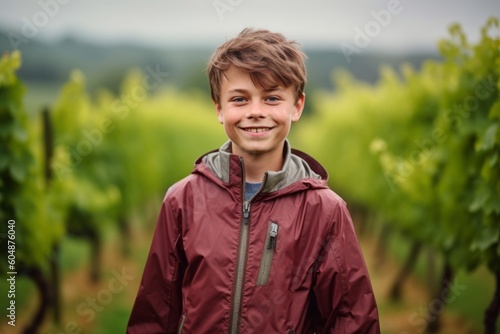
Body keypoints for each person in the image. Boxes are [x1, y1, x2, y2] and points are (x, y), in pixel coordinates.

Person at [127, 28, 380, 334]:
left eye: (272, 98)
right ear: (219, 109)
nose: (256, 112)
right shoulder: (183, 199)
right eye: (239, 99)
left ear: (297, 106)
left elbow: (350, 319)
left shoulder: (325, 211)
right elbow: (155, 313)